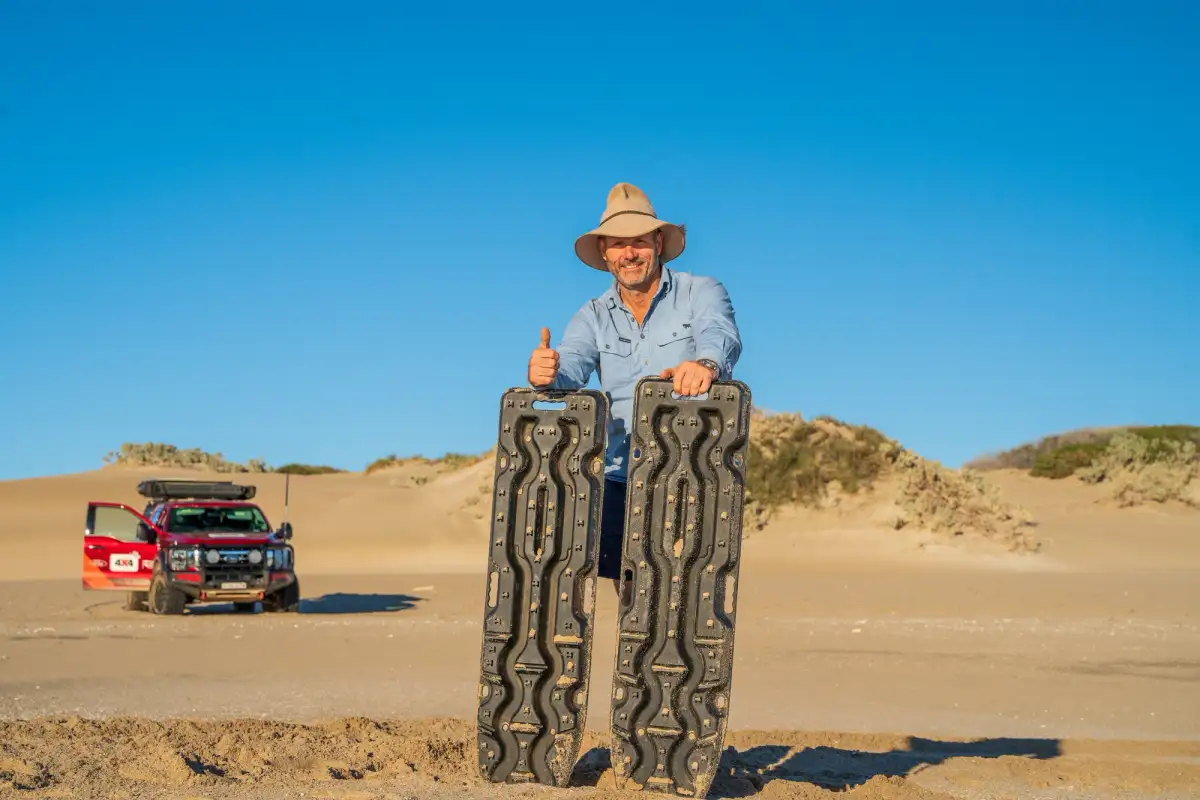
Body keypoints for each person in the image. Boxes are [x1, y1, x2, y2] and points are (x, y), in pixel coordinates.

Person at [527, 181, 742, 595]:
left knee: (685, 594)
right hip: (619, 475)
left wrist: (706, 364)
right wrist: (546, 372)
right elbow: (571, 365)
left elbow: (720, 333)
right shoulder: (591, 316)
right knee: (630, 595)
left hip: (691, 473)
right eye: (618, 245)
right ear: (605, 252)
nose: (630, 254)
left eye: (639, 242)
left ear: (658, 242)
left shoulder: (701, 291)